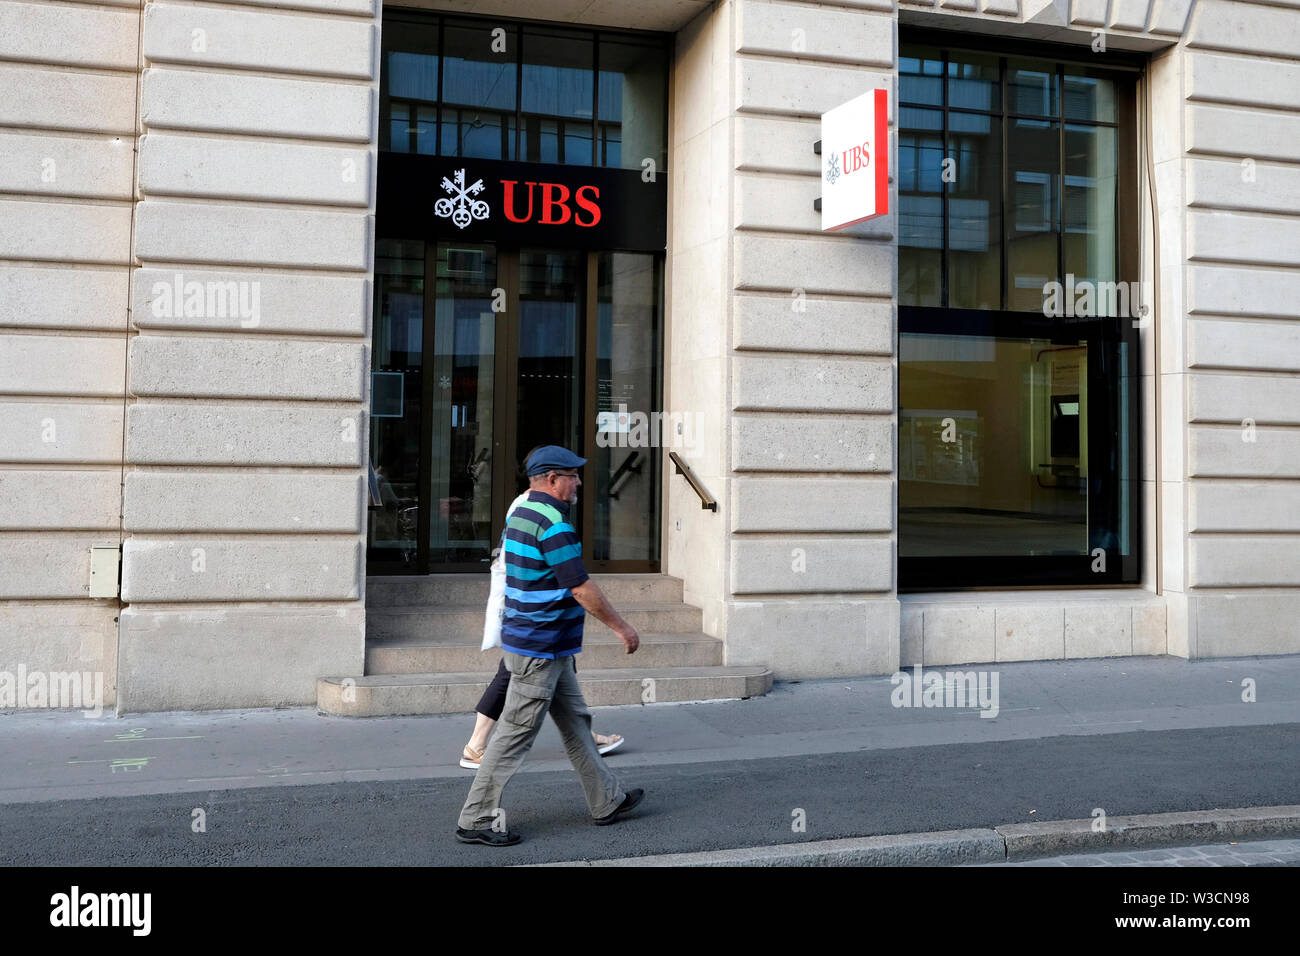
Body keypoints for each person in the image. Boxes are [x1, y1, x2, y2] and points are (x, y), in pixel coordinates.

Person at [455, 445, 644, 846]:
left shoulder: (521, 512)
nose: (578, 483)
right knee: (514, 735)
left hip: (546, 645)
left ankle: (606, 799)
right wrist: (622, 627)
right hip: (539, 649)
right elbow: (580, 586)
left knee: (577, 723)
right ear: (553, 479)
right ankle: (475, 819)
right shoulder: (553, 523)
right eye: (573, 476)